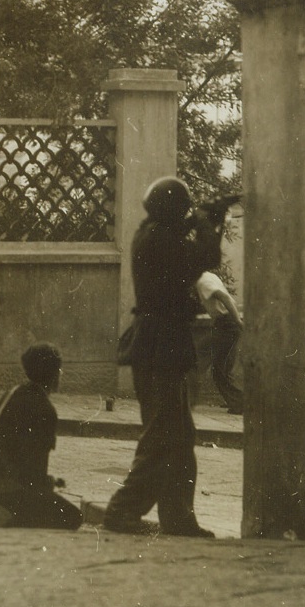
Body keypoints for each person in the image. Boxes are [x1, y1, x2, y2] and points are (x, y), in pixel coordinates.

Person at [103, 176, 225, 538]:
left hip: (155, 342)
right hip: (162, 344)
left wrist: (201, 219)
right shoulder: (162, 240)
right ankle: (123, 510)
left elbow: (179, 240)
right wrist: (207, 223)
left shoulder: (149, 233)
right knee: (165, 435)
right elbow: (207, 257)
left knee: (178, 436)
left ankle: (177, 517)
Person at [0, 342, 83, 530]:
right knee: (73, 517)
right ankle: (7, 514)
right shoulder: (45, 409)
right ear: (54, 375)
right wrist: (47, 484)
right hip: (7, 488)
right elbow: (33, 471)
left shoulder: (13, 392)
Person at [196, 271, 244, 414]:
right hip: (225, 324)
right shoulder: (209, 276)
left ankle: (240, 403)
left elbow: (224, 297)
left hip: (226, 325)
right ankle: (239, 402)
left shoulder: (203, 281)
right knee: (221, 369)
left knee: (198, 357)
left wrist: (237, 320)